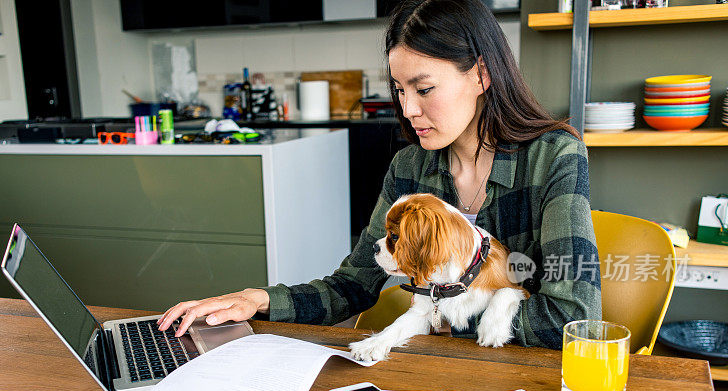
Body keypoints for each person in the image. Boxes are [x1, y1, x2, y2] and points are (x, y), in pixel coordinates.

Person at [158, 0, 601, 350]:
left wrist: (443, 319)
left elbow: (573, 315)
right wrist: (260, 300)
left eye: (424, 89)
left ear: (481, 74)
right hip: (434, 375)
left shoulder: (554, 156)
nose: (408, 110)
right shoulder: (409, 169)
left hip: (524, 387)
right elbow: (354, 284)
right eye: (400, 90)